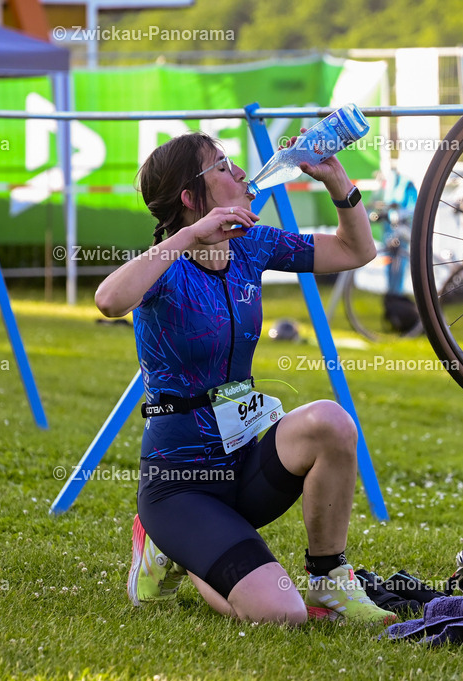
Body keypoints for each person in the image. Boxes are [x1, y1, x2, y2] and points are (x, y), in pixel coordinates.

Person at [94, 130, 394, 625]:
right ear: (190, 198)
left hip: (245, 464)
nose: (239, 172)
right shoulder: (166, 263)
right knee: (282, 615)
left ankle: (330, 580)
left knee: (331, 422)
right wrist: (190, 235)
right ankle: (169, 544)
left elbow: (354, 251)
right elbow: (108, 301)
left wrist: (339, 183)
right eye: (221, 165)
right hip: (181, 485)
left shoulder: (251, 244)